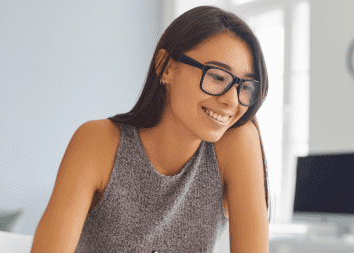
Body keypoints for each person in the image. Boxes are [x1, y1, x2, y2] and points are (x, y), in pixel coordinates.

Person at [30, 5, 271, 253]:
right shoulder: (98, 142)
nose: (232, 101)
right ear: (166, 67)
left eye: (246, 87)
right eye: (217, 76)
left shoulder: (237, 142)